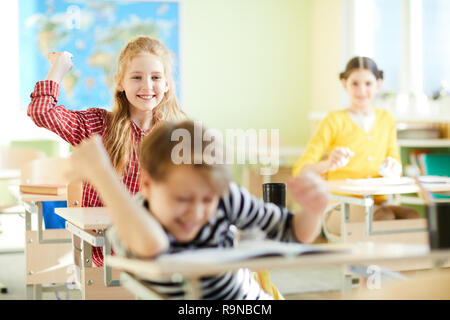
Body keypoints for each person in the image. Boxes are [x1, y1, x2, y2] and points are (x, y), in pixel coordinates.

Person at [67, 120, 329, 300]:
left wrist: (313, 210)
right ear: (146, 184)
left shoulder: (224, 197)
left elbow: (293, 231)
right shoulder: (132, 222)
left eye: (207, 200)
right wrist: (103, 176)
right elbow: (153, 245)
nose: (195, 212)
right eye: (182, 199)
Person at [28, 36, 185, 266]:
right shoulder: (97, 126)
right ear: (120, 83)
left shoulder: (174, 137)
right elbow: (41, 112)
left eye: (156, 77)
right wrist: (59, 68)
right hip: (106, 256)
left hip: (156, 252)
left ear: (167, 84)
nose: (147, 86)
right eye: (137, 77)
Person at [292, 56, 419, 236]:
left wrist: (393, 167)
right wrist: (328, 164)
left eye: (368, 83)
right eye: (355, 84)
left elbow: (395, 161)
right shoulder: (333, 120)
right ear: (344, 84)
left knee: (413, 217)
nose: (362, 90)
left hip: (379, 203)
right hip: (339, 208)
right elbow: (300, 171)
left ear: (378, 84)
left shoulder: (386, 119)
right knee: (384, 217)